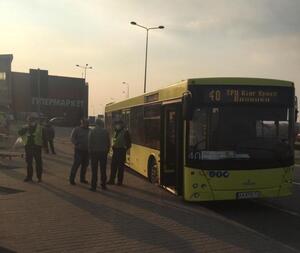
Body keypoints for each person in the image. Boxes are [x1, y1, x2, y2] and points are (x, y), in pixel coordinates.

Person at [18, 116, 43, 182]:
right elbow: (19, 133)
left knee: (38, 163)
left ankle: (39, 177)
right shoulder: (25, 127)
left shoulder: (40, 127)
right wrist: (25, 129)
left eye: (31, 121)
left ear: (35, 121)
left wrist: (45, 147)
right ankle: (29, 177)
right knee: (29, 163)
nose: (30, 122)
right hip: (28, 147)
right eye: (29, 121)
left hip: (37, 147)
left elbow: (43, 137)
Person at [88, 118, 110, 191]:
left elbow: (90, 143)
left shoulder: (92, 131)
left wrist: (90, 152)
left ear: (96, 124)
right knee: (103, 169)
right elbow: (108, 142)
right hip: (103, 152)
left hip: (94, 153)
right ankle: (103, 185)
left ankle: (93, 186)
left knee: (94, 170)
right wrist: (107, 151)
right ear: (101, 124)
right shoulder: (105, 131)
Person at [107, 120, 131, 186]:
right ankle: (111, 180)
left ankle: (119, 182)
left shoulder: (125, 132)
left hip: (121, 151)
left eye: (118, 124)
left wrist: (125, 149)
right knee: (113, 167)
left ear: (121, 125)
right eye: (116, 124)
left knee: (120, 168)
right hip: (115, 151)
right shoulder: (115, 132)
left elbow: (129, 143)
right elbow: (114, 140)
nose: (117, 126)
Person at [69, 118, 90, 185]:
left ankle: (82, 179)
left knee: (85, 165)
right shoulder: (77, 129)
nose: (87, 124)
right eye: (86, 123)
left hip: (87, 151)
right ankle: (71, 179)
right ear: (82, 123)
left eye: (88, 123)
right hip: (79, 150)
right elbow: (72, 138)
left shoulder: (90, 130)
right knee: (76, 165)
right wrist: (76, 143)